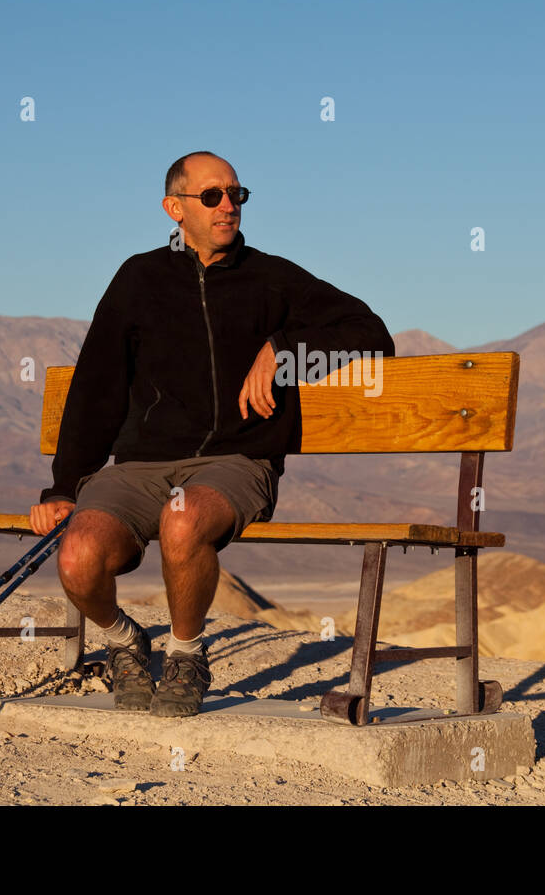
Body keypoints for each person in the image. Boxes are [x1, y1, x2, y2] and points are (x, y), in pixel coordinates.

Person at [29, 151, 394, 717]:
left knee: (183, 518)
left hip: (235, 463)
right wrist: (64, 487)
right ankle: (125, 643)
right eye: (212, 196)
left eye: (236, 195)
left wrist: (282, 349)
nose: (229, 206)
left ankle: (184, 654)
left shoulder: (271, 277)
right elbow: (97, 386)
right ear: (174, 208)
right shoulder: (138, 278)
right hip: (139, 469)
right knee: (78, 554)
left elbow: (370, 333)